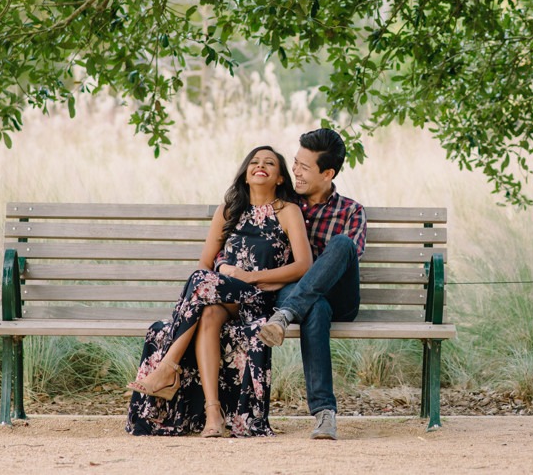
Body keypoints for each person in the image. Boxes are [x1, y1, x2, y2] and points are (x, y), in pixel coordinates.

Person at [125, 146, 312, 437]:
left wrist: (250, 277)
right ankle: (214, 415)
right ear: (246, 174)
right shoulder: (228, 211)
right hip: (219, 296)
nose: (260, 166)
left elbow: (303, 265)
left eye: (270, 163)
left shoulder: (288, 212)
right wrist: (220, 276)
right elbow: (205, 263)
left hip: (257, 298)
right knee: (209, 310)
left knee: (203, 282)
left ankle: (167, 367)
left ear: (279, 178)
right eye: (254, 162)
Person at [254, 128, 366, 440]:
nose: (296, 171)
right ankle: (325, 414)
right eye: (295, 163)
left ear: (328, 172)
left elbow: (345, 262)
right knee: (315, 307)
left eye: (305, 166)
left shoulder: (351, 211)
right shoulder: (286, 205)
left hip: (340, 297)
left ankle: (284, 315)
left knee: (342, 245)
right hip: (301, 297)